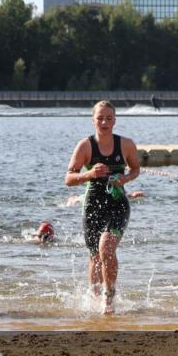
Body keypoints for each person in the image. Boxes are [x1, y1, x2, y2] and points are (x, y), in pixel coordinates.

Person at [65, 101, 140, 315]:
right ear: (93, 120)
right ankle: (94, 297)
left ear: (115, 120)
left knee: (106, 246)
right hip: (92, 205)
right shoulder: (85, 146)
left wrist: (124, 179)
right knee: (95, 257)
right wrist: (89, 174)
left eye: (109, 118)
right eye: (100, 118)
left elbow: (136, 169)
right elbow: (68, 179)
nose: (104, 122)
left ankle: (109, 298)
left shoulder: (126, 144)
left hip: (118, 204)